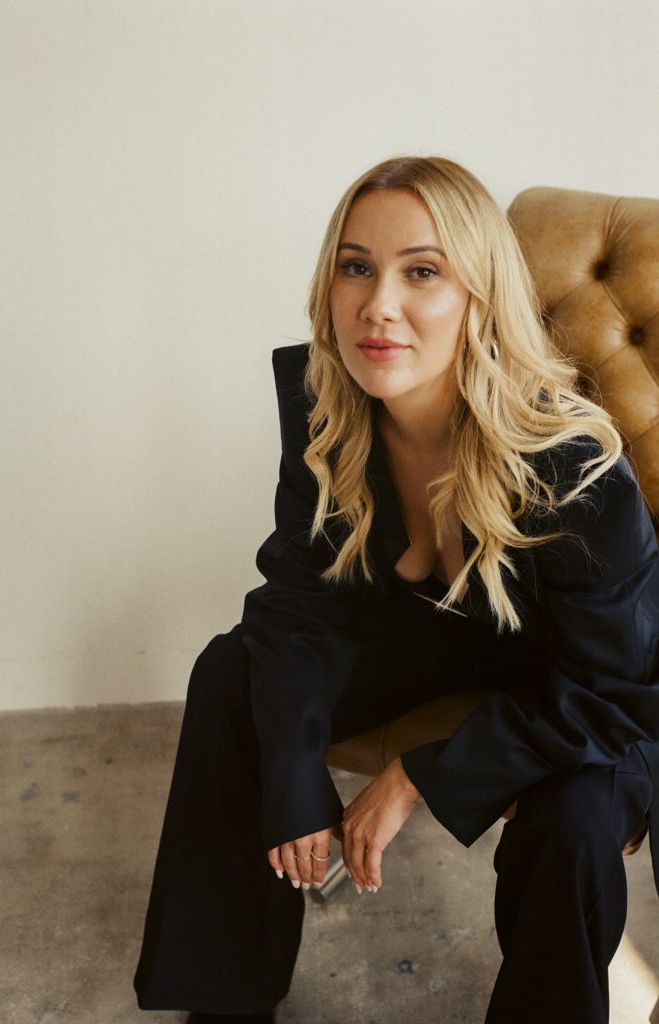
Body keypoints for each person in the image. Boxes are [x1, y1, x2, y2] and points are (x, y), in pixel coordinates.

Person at [134, 156, 659, 1024]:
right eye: (356, 267)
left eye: (421, 272)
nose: (378, 304)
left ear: (478, 297)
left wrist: (418, 775)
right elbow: (298, 601)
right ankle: (224, 1003)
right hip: (443, 640)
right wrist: (292, 765)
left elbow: (612, 691)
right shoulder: (326, 412)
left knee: (574, 815)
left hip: (593, 691)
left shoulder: (573, 466)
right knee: (233, 671)